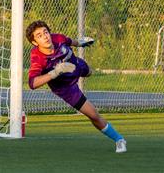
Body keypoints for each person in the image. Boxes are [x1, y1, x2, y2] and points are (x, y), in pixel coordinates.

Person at [26, 20, 127, 153]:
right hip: (65, 87)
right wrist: (55, 72)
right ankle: (119, 139)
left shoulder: (58, 38)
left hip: (76, 66)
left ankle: (89, 71)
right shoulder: (38, 57)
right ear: (34, 42)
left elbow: (69, 41)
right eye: (39, 35)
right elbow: (33, 83)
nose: (45, 36)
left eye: (45, 32)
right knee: (93, 115)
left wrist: (80, 43)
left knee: (89, 72)